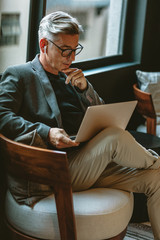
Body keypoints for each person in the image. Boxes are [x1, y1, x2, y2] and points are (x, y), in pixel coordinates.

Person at [0, 11, 160, 239]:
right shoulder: (19, 75)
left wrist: (86, 89)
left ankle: (155, 167)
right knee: (115, 137)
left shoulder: (72, 77)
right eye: (65, 50)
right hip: (56, 167)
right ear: (44, 44)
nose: (71, 57)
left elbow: (102, 112)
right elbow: (2, 115)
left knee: (156, 179)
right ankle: (154, 161)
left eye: (75, 49)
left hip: (88, 160)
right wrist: (47, 132)